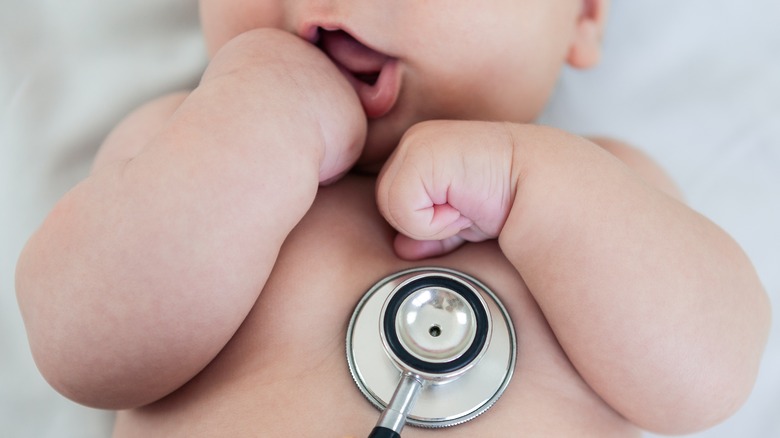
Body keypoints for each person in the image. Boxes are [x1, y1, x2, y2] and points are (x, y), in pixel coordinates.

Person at [15, 0, 771, 436]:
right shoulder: (179, 143)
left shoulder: (606, 187)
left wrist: (529, 183)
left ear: (581, 15)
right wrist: (253, 121)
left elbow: (711, 376)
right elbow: (79, 347)